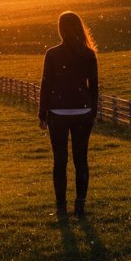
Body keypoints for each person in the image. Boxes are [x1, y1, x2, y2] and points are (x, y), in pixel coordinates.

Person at [38, 11, 99, 218]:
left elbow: (46, 84)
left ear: (61, 29)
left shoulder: (53, 54)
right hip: (83, 111)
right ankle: (80, 205)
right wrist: (93, 112)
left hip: (58, 112)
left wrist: (42, 113)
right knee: (81, 159)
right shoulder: (88, 54)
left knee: (60, 160)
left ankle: (61, 206)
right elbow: (94, 87)